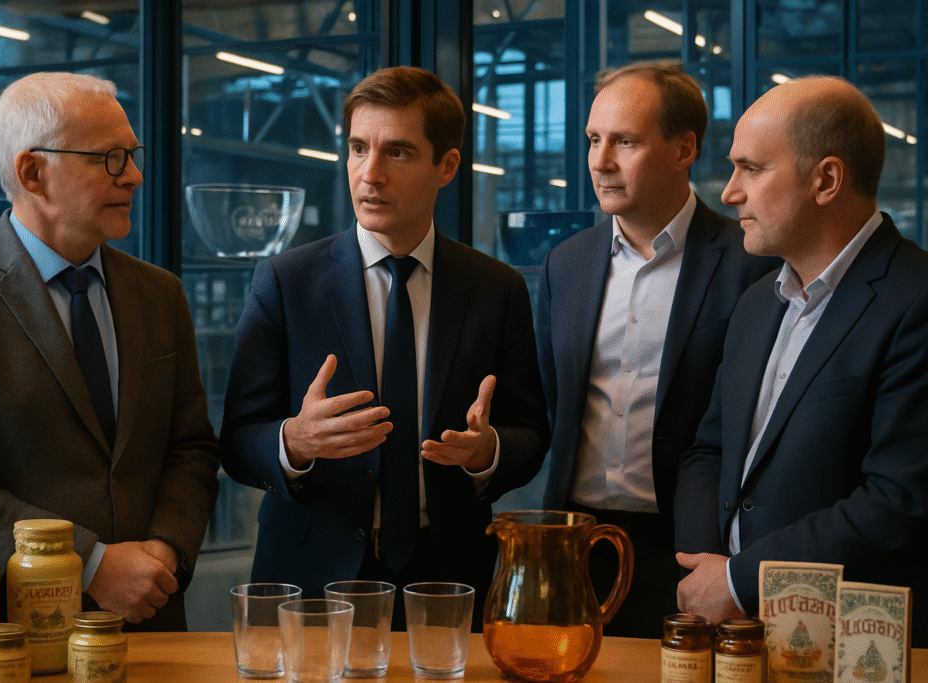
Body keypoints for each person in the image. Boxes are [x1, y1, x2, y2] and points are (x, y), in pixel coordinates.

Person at [219, 66, 550, 628]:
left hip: (449, 577)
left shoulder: (496, 288)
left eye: (396, 153)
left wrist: (486, 452)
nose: (369, 174)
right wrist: (294, 442)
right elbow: (237, 441)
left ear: (446, 166)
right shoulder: (286, 280)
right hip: (311, 576)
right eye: (357, 148)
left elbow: (531, 433)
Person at [0, 72, 220, 632]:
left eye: (133, 154)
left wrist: (163, 555)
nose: (136, 175)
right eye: (111, 158)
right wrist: (89, 563)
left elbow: (190, 447)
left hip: (153, 622)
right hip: (10, 636)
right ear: (33, 172)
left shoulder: (160, 294)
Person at [674, 75, 928, 646]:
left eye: (751, 168)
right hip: (732, 633)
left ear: (827, 179)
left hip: (854, 644)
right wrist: (707, 570)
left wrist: (741, 582)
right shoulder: (757, 302)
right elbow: (709, 450)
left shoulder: (916, 301)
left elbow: (899, 503)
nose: (730, 192)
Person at [535, 61, 777, 637]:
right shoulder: (565, 264)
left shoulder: (752, 263)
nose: (600, 161)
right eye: (594, 139)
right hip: (575, 543)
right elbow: (552, 402)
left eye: (626, 141)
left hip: (691, 549)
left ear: (683, 148)